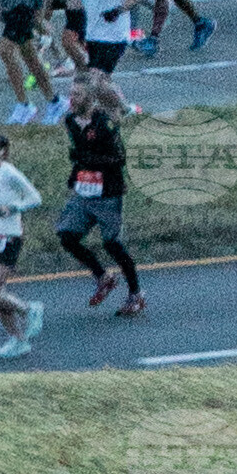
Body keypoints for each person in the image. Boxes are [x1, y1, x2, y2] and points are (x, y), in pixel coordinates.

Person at [58, 77, 145, 315]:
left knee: (112, 243)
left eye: (77, 95)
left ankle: (135, 293)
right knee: (67, 235)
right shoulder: (70, 121)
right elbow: (78, 152)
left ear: (91, 99)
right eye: (71, 94)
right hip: (84, 189)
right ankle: (102, 276)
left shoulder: (104, 124)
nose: (72, 99)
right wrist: (76, 171)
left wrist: (90, 162)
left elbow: (119, 158)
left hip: (107, 191)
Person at [0, 142, 47, 356]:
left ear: (1, 151)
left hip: (10, 236)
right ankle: (18, 339)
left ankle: (29, 309)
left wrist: (14, 207)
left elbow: (35, 198)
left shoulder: (10, 172)